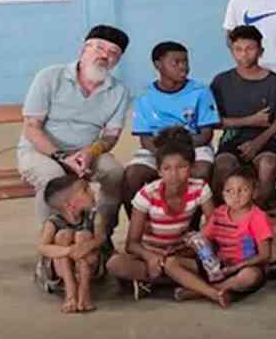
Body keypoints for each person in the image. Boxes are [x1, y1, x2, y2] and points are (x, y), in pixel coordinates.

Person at [19, 25, 129, 234]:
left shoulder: (119, 91)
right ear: (83, 50)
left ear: (117, 61)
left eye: (113, 52)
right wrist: (61, 157)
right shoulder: (50, 77)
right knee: (54, 178)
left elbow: (110, 136)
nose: (104, 55)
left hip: (85, 153)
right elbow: (32, 127)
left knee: (115, 172)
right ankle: (51, 245)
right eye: (98, 48)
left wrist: (91, 152)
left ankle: (102, 234)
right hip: (40, 151)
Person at [106, 128, 216, 301]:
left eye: (182, 167)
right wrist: (150, 257)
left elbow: (213, 227)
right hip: (152, 252)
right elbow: (132, 244)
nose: (174, 175)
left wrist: (198, 244)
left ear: (192, 168)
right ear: (159, 171)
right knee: (115, 264)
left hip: (181, 254)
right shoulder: (146, 195)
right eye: (167, 168)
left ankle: (154, 281)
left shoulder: (201, 188)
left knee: (213, 258)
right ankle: (183, 280)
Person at [123, 42, 219, 208]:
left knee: (200, 172)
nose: (183, 67)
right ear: (158, 65)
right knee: (132, 175)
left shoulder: (200, 91)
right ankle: (141, 228)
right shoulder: (144, 95)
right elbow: (145, 139)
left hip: (194, 146)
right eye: (176, 62)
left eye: (185, 62)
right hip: (156, 148)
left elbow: (205, 134)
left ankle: (192, 227)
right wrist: (165, 155)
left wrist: (179, 153)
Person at [169, 167, 274, 306]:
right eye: (229, 191)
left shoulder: (258, 217)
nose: (235, 196)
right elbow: (204, 240)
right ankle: (219, 290)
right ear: (222, 194)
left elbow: (265, 255)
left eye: (242, 190)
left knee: (249, 277)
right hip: (219, 267)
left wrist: (235, 268)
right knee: (171, 263)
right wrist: (192, 244)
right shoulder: (219, 213)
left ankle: (203, 291)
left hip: (246, 266)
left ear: (254, 193)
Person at [210, 25, 276, 209]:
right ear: (232, 51)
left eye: (250, 49)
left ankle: (255, 215)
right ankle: (222, 217)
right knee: (222, 165)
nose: (244, 54)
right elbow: (215, 120)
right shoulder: (222, 81)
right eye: (238, 49)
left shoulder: (274, 82)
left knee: (268, 165)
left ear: (261, 50)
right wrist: (251, 120)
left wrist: (258, 143)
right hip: (232, 140)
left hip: (266, 141)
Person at [35, 176, 103, 313]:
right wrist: (69, 250)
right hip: (59, 269)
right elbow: (42, 247)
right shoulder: (53, 222)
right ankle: (70, 291)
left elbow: (101, 238)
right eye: (85, 190)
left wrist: (85, 246)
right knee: (63, 235)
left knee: (83, 236)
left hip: (88, 265)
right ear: (69, 205)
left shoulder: (95, 216)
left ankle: (84, 291)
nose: (92, 191)